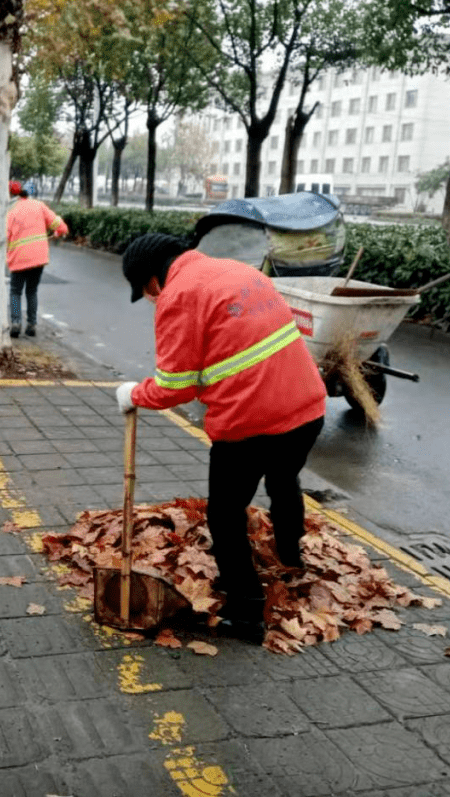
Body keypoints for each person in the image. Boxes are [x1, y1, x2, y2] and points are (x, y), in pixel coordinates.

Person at [115, 233, 326, 643]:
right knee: (284, 480)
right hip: (307, 410)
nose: (151, 300)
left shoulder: (179, 295)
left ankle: (246, 615)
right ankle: (292, 557)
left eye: (144, 292)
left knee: (226, 515)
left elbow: (175, 386)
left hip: (249, 424)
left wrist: (132, 394)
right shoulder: (239, 271)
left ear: (153, 279)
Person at [6, 179, 68, 338]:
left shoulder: (12, 211)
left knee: (15, 292)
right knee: (31, 291)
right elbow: (61, 226)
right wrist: (57, 233)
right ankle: (32, 325)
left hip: (19, 258)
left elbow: (4, 236)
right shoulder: (40, 206)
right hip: (38, 258)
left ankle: (15, 322)